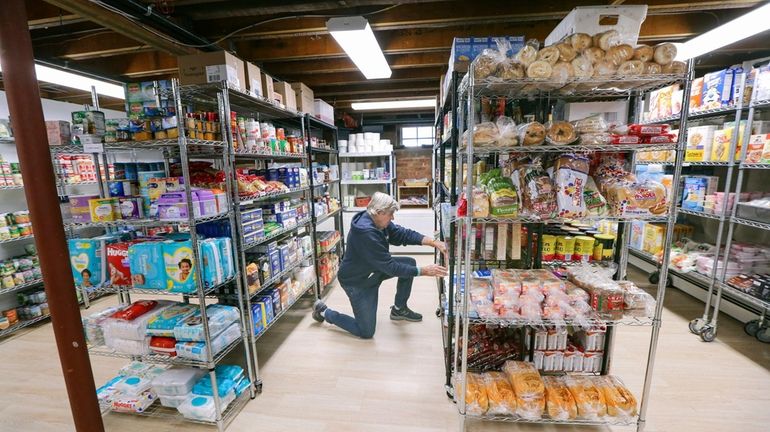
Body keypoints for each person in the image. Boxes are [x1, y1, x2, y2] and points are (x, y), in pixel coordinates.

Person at [312, 192, 448, 339]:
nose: (393, 218)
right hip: (357, 282)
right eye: (391, 214)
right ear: (379, 212)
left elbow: (401, 234)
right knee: (366, 331)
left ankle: (399, 309)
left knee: (409, 263)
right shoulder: (366, 233)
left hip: (373, 270)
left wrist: (433, 242)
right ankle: (324, 311)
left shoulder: (378, 221)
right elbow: (390, 267)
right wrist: (424, 271)